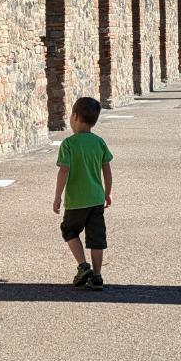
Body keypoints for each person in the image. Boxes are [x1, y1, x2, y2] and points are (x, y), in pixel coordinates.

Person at [52, 96, 113, 290]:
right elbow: (107, 170)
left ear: (75, 116)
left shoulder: (69, 144)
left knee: (69, 230)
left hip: (76, 200)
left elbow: (63, 171)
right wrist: (107, 193)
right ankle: (97, 276)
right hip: (96, 198)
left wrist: (57, 196)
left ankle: (82, 265)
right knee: (96, 239)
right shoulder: (99, 142)